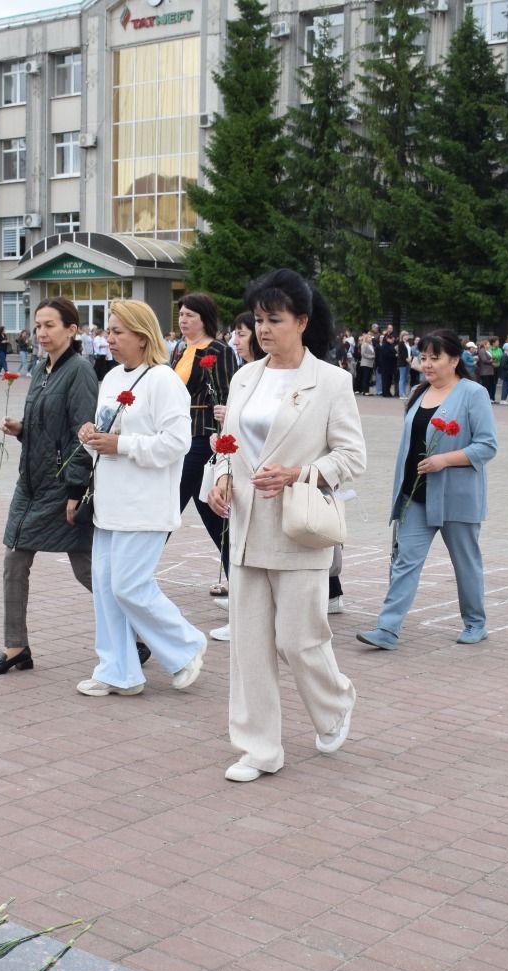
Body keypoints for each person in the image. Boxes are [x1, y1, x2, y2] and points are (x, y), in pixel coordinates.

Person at [207, 269, 366, 783]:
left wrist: (302, 472)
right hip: (248, 527)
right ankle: (259, 749)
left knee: (300, 639)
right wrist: (219, 477)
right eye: (258, 320)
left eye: (274, 320)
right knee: (250, 645)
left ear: (302, 320)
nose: (263, 330)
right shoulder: (244, 376)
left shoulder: (331, 381)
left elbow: (352, 456)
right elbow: (229, 445)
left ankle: (335, 701)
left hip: (298, 526)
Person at [75, 299, 206, 696]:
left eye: (117, 332)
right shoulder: (113, 378)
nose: (108, 339)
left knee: (130, 586)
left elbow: (176, 444)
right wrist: (91, 440)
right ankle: (118, 671)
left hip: (145, 503)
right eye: (109, 331)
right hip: (110, 502)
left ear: (142, 336)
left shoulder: (164, 381)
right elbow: (107, 437)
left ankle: (185, 647)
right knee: (105, 588)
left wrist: (121, 444)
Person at [356, 329, 497, 650]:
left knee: (465, 562)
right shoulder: (420, 393)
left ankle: (476, 622)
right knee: (405, 560)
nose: (428, 364)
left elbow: (487, 446)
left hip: (456, 499)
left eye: (436, 358)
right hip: (415, 495)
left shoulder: (472, 393)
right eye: (424, 358)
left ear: (455, 360)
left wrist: (444, 459)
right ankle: (387, 629)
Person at [0, 297, 102, 676]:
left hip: (61, 485)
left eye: (50, 325)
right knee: (14, 561)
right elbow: (44, 427)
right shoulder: (40, 368)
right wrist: (21, 429)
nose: (42, 333)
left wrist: (74, 490)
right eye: (38, 325)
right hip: (30, 483)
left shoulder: (80, 371)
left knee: (86, 569)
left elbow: (83, 434)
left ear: (72, 329)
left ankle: (136, 633)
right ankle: (15, 646)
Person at [169, 293, 241, 598]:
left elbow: (226, 396)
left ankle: (138, 569)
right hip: (179, 435)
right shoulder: (179, 349)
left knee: (170, 503)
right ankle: (238, 573)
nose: (183, 320)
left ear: (204, 318)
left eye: (190, 315)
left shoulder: (219, 350)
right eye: (181, 314)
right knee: (211, 513)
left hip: (202, 437)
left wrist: (219, 437)